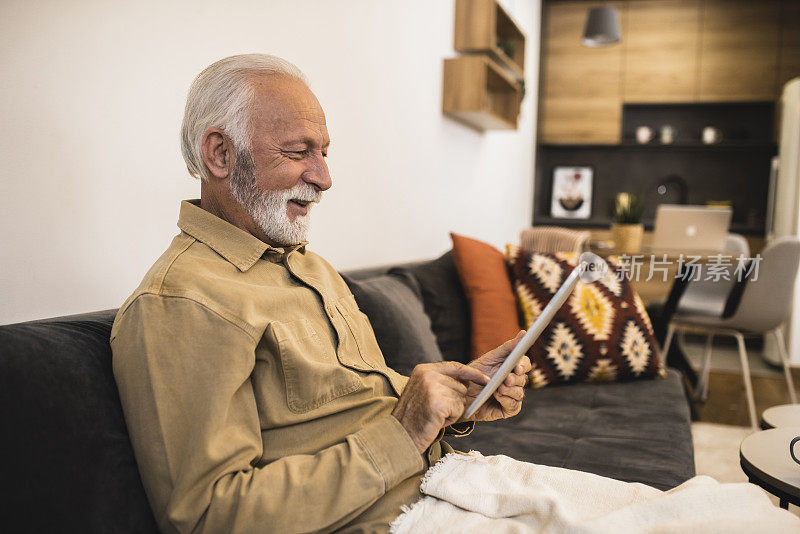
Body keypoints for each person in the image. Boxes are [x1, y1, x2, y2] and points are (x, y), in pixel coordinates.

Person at [110, 54, 531, 534]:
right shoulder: (181, 303)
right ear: (220, 155)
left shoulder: (309, 266)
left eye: (324, 152)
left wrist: (459, 399)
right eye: (297, 152)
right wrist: (405, 433)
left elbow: (355, 410)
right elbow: (211, 515)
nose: (324, 177)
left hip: (456, 485)